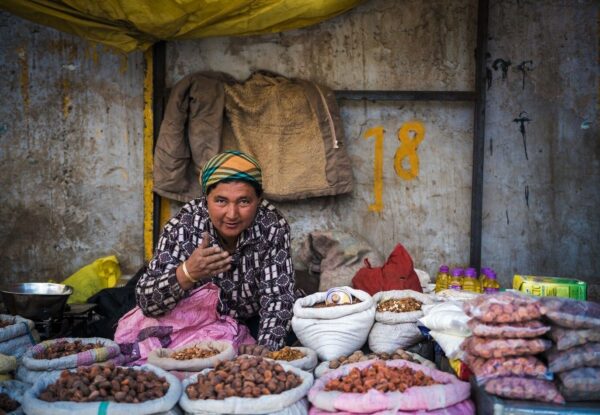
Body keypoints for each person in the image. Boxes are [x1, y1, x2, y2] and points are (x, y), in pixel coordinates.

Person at [135, 150, 302, 350]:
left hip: (253, 318)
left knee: (298, 325)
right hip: (198, 324)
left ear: (259, 200)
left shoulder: (272, 226)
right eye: (221, 201)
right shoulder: (182, 227)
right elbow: (146, 302)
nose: (232, 214)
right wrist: (187, 272)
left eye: (244, 201)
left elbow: (278, 297)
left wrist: (264, 348)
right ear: (206, 199)